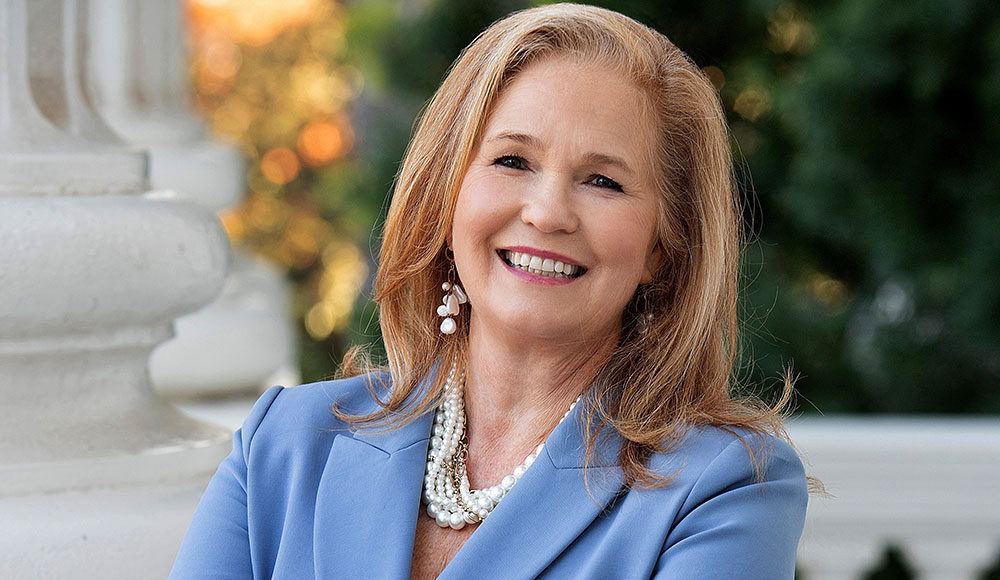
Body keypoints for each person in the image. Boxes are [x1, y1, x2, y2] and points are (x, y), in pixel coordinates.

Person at [169, 3, 808, 579]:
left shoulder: (722, 489)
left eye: (603, 181)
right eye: (512, 161)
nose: (548, 211)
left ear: (661, 250)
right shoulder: (284, 445)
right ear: (447, 197)